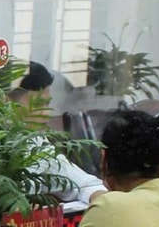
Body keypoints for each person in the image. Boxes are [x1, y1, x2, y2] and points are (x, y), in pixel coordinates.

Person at [10, 61, 106, 207]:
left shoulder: (35, 143)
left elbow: (81, 183)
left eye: (47, 104)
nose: (46, 113)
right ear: (6, 101)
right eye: (37, 104)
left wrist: (103, 199)